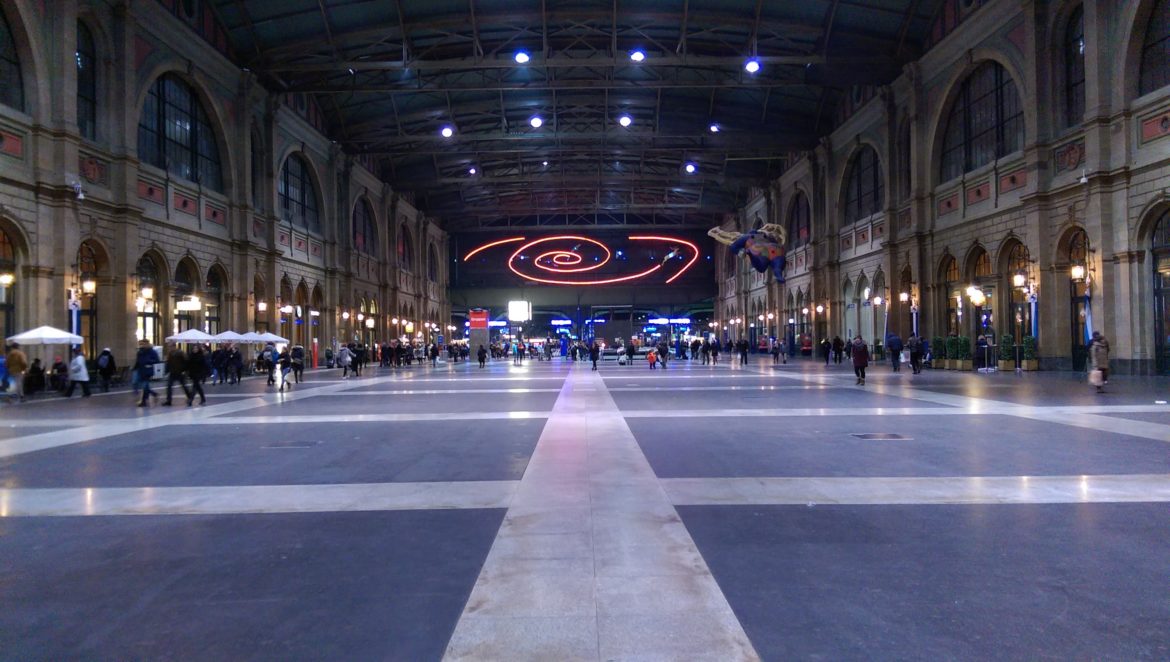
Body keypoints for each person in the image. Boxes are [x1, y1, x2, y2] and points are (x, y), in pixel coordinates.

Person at [133, 340, 161, 406]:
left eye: (143, 344)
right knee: (142, 385)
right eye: (140, 344)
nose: (141, 345)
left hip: (148, 371)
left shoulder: (152, 351)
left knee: (145, 386)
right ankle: (153, 394)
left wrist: (148, 362)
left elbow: (157, 360)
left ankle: (144, 401)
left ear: (147, 344)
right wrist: (135, 368)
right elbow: (138, 361)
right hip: (140, 370)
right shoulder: (140, 352)